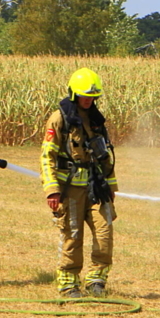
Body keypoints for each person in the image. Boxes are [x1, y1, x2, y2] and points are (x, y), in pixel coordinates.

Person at [40, 68, 118, 299]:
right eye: (85, 95)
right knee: (73, 235)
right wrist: (52, 190)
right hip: (70, 189)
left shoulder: (96, 119)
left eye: (93, 96)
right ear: (73, 94)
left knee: (105, 233)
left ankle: (97, 281)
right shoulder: (59, 119)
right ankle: (68, 283)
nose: (89, 100)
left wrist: (111, 186)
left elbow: (105, 156)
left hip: (97, 187)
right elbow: (47, 156)